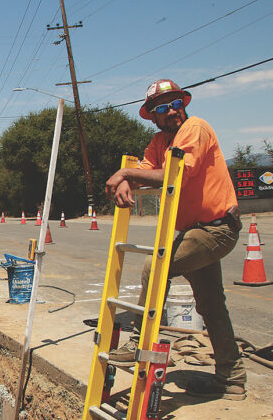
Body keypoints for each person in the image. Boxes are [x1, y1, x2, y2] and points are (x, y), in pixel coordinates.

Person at [105, 79, 245, 400]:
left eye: (175, 104)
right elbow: (147, 169)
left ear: (184, 104)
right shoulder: (159, 142)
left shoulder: (195, 128)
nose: (171, 112)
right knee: (210, 304)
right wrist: (129, 179)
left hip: (216, 228)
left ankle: (139, 341)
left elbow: (175, 174)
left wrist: (126, 176)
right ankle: (232, 378)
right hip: (195, 231)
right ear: (152, 116)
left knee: (155, 268)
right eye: (162, 108)